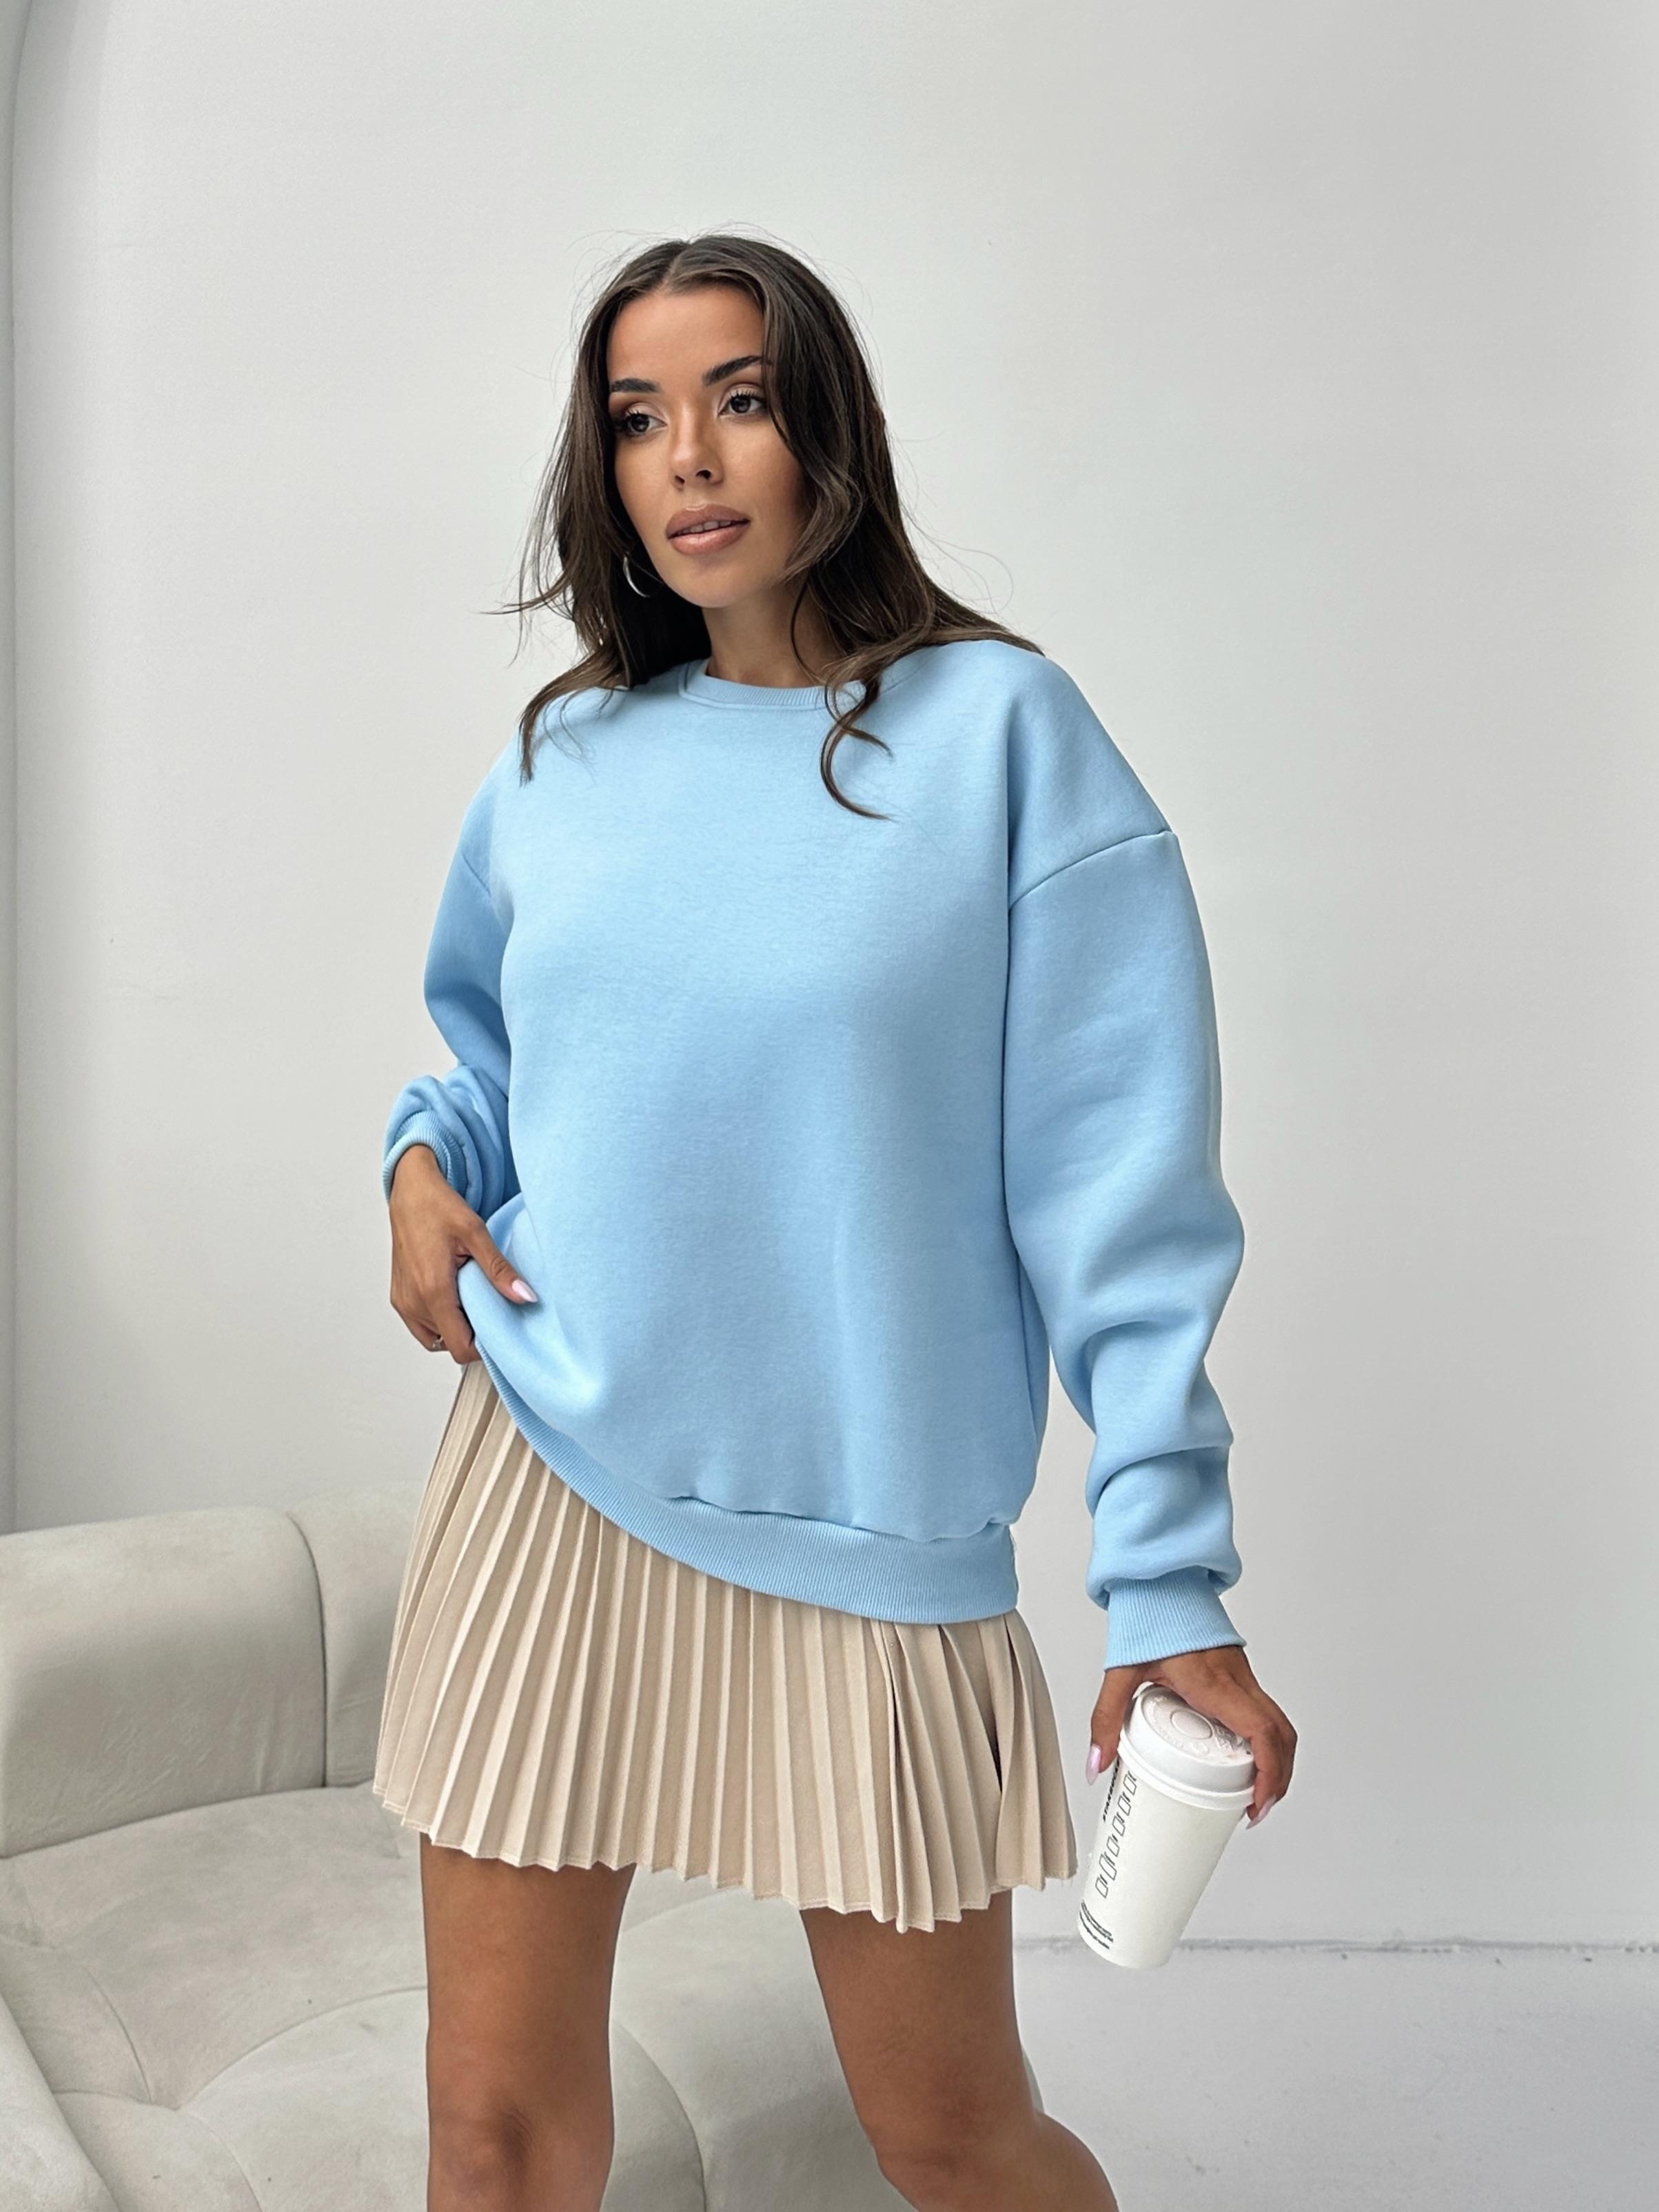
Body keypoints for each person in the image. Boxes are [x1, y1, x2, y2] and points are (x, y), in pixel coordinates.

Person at [374, 231, 1296, 2212]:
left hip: (869, 1519)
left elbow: (1122, 1201)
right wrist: (417, 1168)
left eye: (742, 400)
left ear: (829, 432)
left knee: (951, 2138)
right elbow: (495, 1066)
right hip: (547, 1483)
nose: (691, 459)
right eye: (640, 418)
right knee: (492, 2137)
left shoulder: (1004, 739)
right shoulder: (563, 761)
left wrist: (1169, 1587)